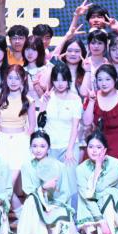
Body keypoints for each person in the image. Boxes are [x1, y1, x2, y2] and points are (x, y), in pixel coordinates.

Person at [82, 65, 118, 205]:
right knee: (96, 182)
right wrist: (92, 101)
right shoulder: (93, 97)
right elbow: (87, 122)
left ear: (115, 80)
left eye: (107, 79)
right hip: (99, 144)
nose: (104, 83)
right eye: (100, 79)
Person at [16, 130, 76, 234]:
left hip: (55, 204)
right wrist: (43, 188)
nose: (38, 150)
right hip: (36, 203)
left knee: (60, 219)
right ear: (30, 148)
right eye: (34, 146)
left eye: (42, 146)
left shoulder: (60, 166)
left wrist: (52, 207)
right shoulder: (26, 166)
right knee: (31, 200)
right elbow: (28, 190)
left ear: (48, 148)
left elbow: (65, 193)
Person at [36, 63, 82, 200]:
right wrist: (44, 103)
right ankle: (52, 209)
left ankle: (72, 211)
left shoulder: (75, 99)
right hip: (50, 147)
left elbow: (75, 127)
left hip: (69, 146)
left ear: (68, 80)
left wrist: (70, 149)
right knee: (51, 182)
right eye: (56, 80)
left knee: (70, 182)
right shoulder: (48, 96)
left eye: (63, 79)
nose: (60, 84)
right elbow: (41, 122)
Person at [0, 64, 32, 181]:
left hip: (20, 141)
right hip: (1, 141)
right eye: (10, 78)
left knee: (11, 182)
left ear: (23, 79)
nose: (13, 81)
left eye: (17, 78)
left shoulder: (28, 100)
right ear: (6, 78)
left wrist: (25, 139)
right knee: (0, 178)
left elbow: (32, 126)